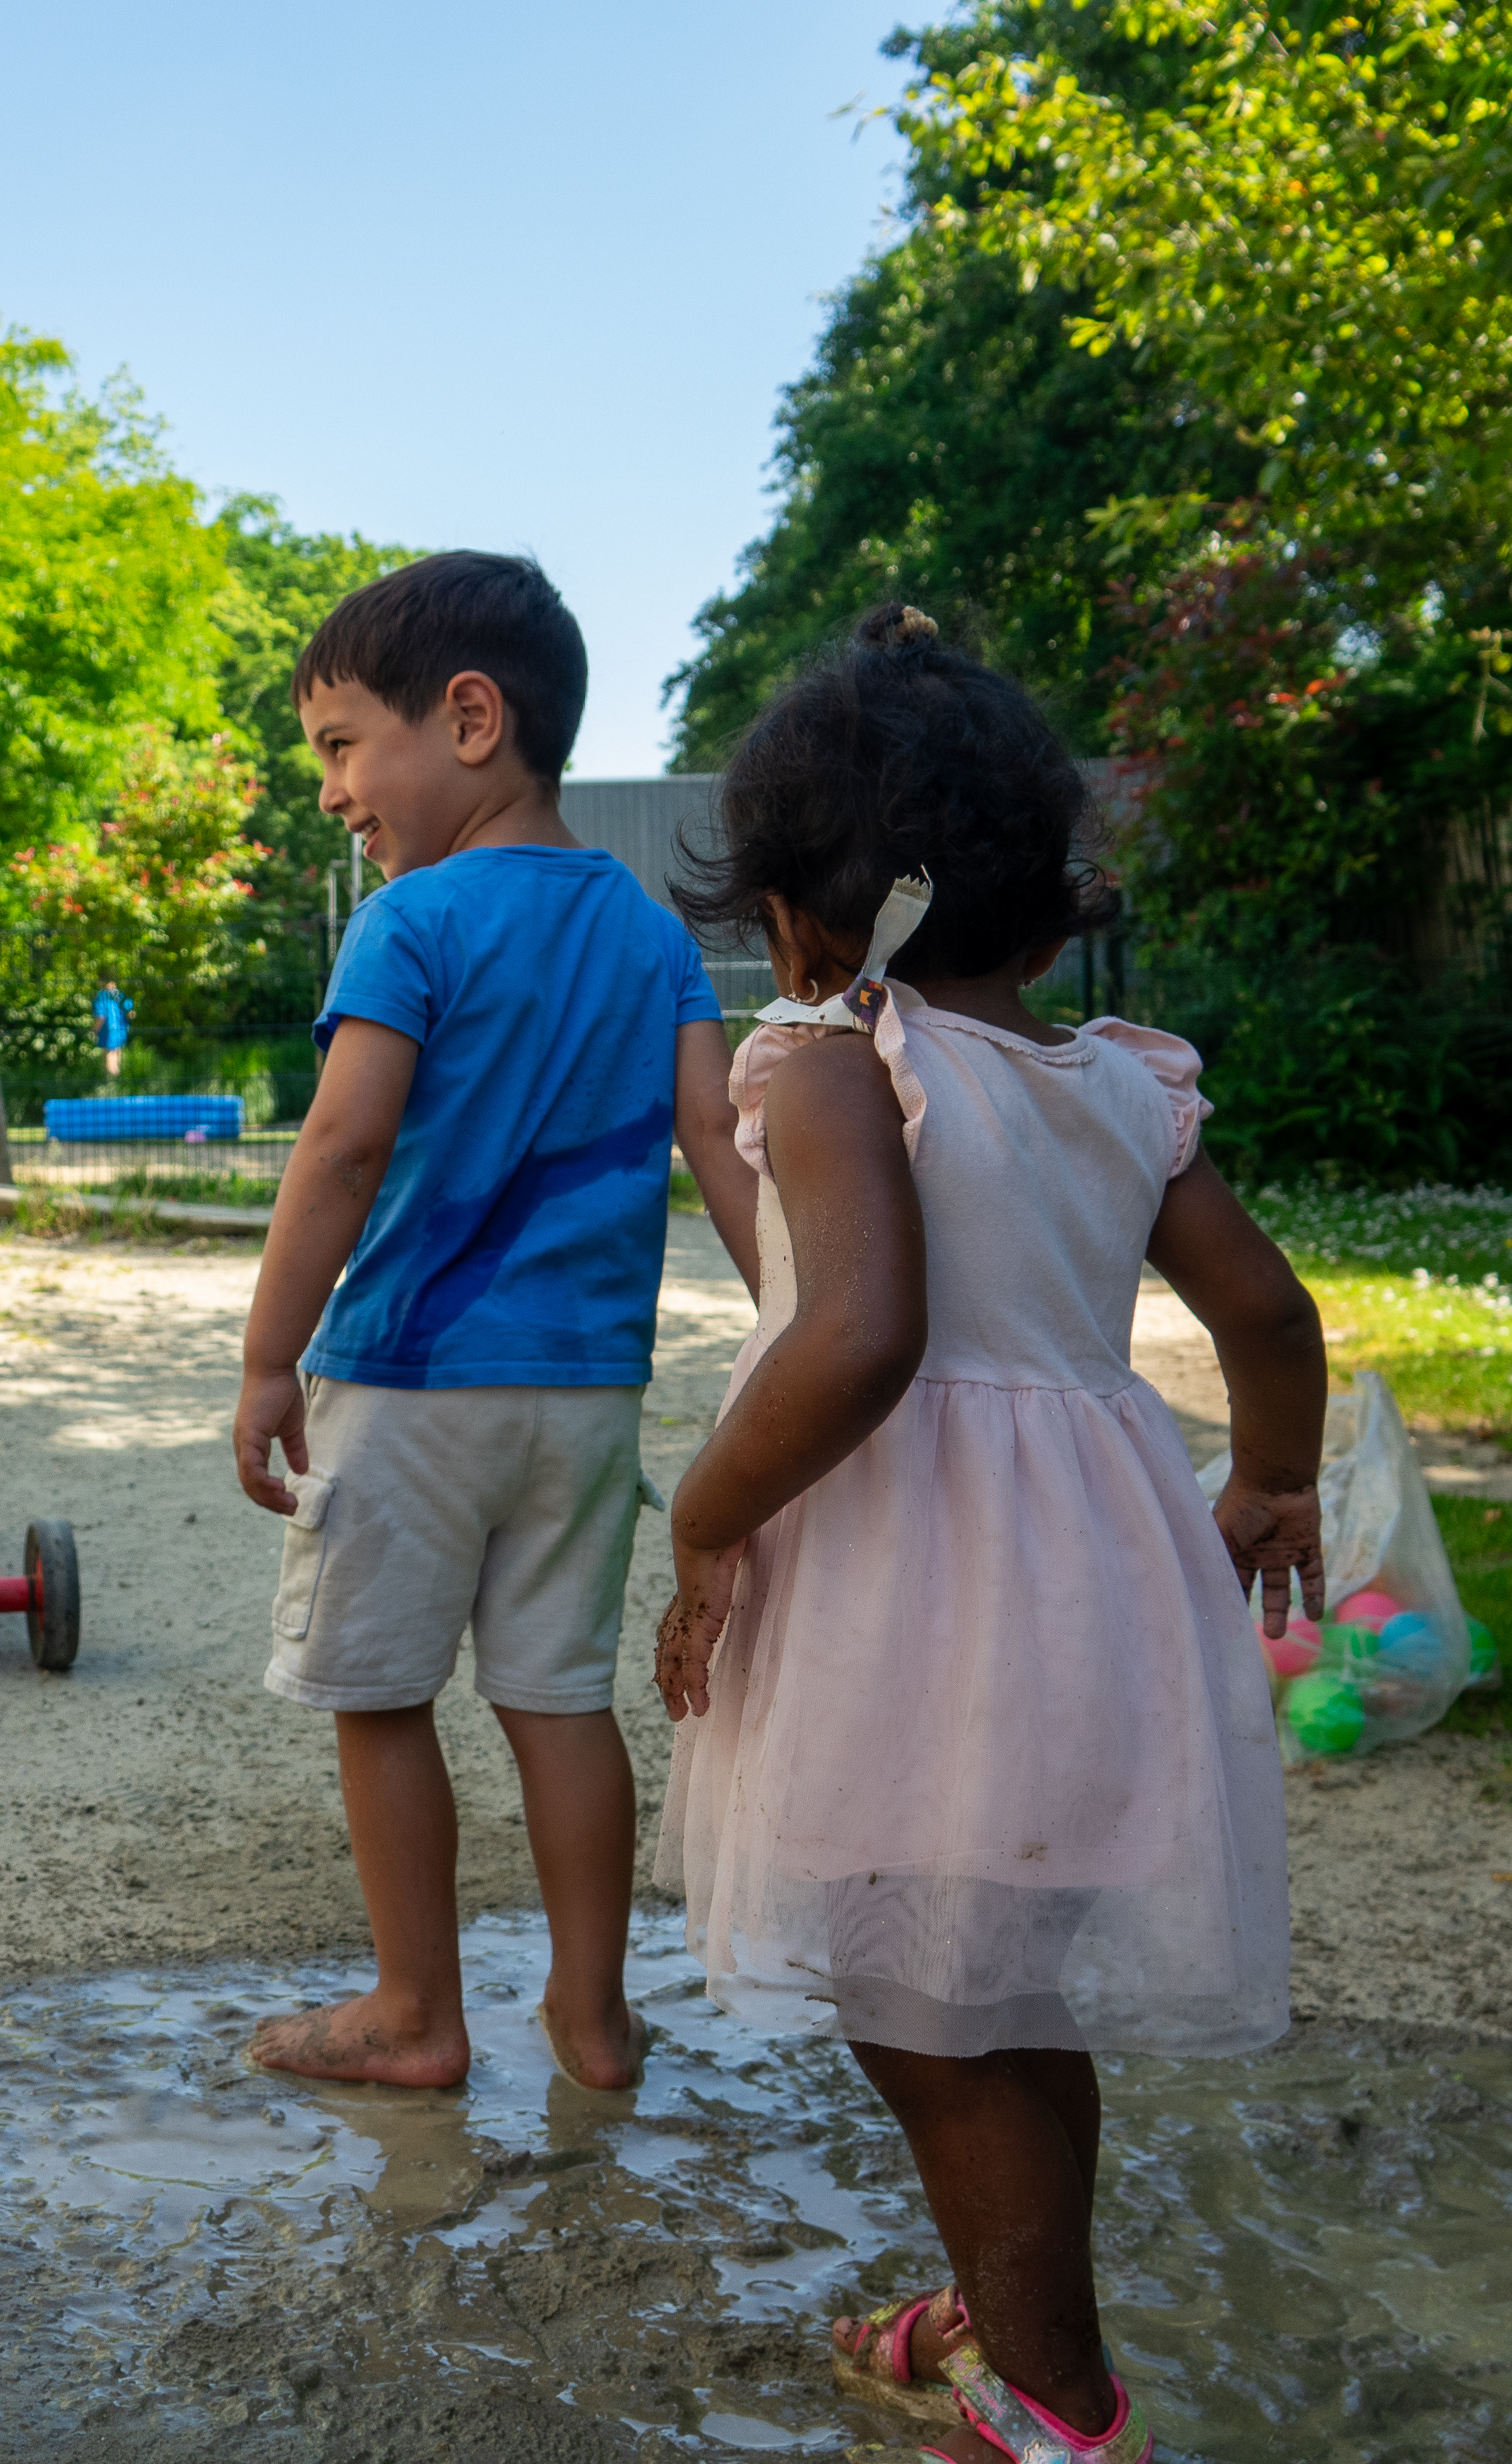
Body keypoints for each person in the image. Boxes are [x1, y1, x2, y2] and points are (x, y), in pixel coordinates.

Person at [654, 604, 1312, 2463]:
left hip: (906, 1599)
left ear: (795, 913)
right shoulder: (1117, 1083)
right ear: (1040, 912)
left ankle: (1050, 2405)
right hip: (1087, 1585)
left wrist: (705, 1519)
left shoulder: (823, 1058)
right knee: (1000, 1995)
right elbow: (1261, 1315)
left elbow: (856, 1339)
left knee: (926, 2023)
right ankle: (1012, 2306)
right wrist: (1262, 1479)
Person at [231, 552, 757, 2097]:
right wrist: (794, 1321)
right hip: (586, 1398)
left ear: (469, 718)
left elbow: (338, 1151)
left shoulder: (412, 923)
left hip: (409, 1380)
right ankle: (592, 2022)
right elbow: (720, 1143)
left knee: (380, 1695)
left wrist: (272, 1356)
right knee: (559, 1698)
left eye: (338, 745)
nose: (330, 791)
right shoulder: (654, 935)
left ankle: (414, 2012)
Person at [92, 974, 134, 1077]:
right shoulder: (121, 995)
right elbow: (131, 1013)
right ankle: (118, 1081)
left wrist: (94, 1030)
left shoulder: (102, 996)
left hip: (108, 1030)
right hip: (121, 1029)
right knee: (117, 1053)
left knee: (109, 1055)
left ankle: (110, 1082)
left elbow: (101, 1017)